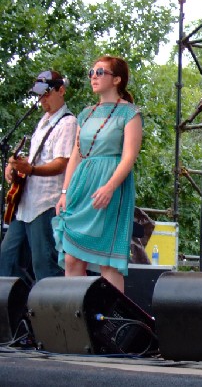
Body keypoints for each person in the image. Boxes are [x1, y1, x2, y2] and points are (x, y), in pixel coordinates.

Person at [53, 56, 143, 293]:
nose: (93, 75)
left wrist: (110, 186)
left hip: (110, 187)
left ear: (116, 79)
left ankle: (113, 325)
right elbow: (76, 155)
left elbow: (129, 157)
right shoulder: (85, 114)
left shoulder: (129, 113)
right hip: (81, 187)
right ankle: (75, 321)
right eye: (92, 71)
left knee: (108, 263)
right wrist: (65, 191)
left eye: (100, 72)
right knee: (72, 259)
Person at [0, 70, 77, 283]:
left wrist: (30, 170)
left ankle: (50, 312)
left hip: (46, 204)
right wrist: (13, 165)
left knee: (44, 265)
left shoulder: (67, 123)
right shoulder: (43, 121)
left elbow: (62, 164)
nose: (41, 99)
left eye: (46, 94)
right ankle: (19, 309)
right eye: (39, 95)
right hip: (25, 203)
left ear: (61, 90)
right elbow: (36, 158)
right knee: (6, 259)